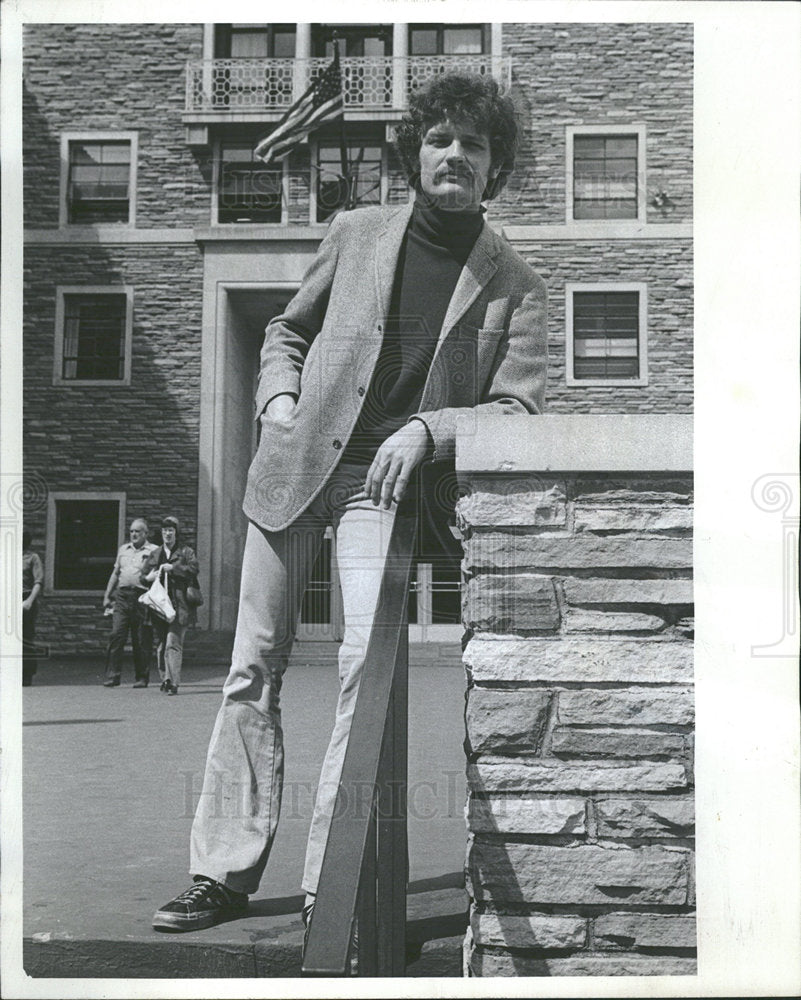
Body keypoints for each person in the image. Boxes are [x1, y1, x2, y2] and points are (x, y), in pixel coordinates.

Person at [153, 72, 547, 936]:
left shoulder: (515, 283)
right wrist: (275, 405)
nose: (454, 155)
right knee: (251, 668)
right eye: (439, 140)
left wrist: (429, 430)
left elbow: (516, 407)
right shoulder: (357, 230)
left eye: (472, 145)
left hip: (381, 494)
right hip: (293, 477)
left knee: (360, 672)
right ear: (415, 153)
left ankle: (326, 883)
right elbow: (286, 329)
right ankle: (218, 871)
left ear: (495, 167)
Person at [141, 516, 200, 696]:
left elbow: (194, 569)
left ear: (176, 533)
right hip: (159, 606)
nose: (168, 534)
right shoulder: (155, 554)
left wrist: (173, 568)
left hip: (180, 605)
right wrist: (148, 578)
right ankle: (165, 678)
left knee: (173, 643)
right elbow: (143, 576)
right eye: (165, 530)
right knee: (161, 645)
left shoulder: (186, 552)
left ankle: (173, 682)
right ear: (161, 533)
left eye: (171, 530)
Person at [102, 518, 157, 688]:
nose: (134, 534)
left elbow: (158, 575)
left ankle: (141, 677)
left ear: (145, 534)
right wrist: (107, 595)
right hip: (122, 596)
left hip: (141, 597)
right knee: (116, 635)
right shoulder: (123, 550)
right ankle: (113, 676)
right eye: (132, 531)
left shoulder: (154, 551)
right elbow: (115, 573)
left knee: (140, 639)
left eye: (138, 531)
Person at [22, 530, 44, 686]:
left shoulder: (32, 558)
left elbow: (38, 582)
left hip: (25, 598)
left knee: (26, 637)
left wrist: (29, 600)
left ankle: (27, 674)